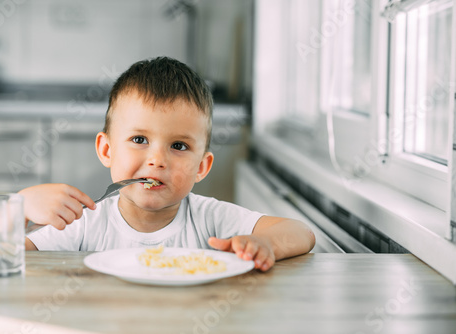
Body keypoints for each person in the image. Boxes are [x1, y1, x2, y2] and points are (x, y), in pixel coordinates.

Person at [21, 57, 315, 271]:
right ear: (106, 149)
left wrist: (266, 245)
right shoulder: (84, 225)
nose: (157, 160)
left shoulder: (210, 218)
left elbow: (302, 233)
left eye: (178, 146)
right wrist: (17, 209)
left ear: (201, 166)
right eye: (139, 140)